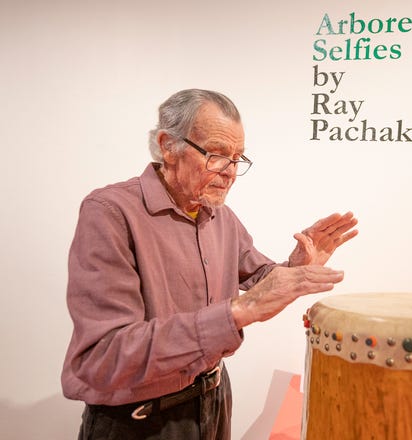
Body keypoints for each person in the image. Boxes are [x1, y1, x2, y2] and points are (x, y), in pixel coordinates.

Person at [61, 89, 358, 440]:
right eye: (217, 155)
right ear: (167, 145)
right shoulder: (111, 212)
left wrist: (297, 264)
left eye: (238, 158)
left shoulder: (220, 216)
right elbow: (105, 355)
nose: (230, 172)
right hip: (140, 422)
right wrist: (240, 310)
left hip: (213, 401)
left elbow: (260, 276)